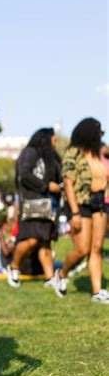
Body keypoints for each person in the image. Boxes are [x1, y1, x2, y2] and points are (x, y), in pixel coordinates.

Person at [56, 118, 108, 303]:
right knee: (82, 249)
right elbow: (68, 183)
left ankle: (97, 291)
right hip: (80, 204)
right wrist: (75, 212)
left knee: (97, 248)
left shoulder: (98, 154)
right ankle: (62, 273)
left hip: (99, 203)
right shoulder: (73, 152)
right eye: (98, 131)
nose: (102, 135)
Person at [6, 128, 62, 294]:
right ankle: (13, 267)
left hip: (49, 205)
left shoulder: (50, 156)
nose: (55, 141)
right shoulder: (30, 152)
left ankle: (50, 277)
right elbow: (24, 174)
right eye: (53, 138)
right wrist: (46, 186)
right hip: (32, 204)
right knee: (32, 240)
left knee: (45, 242)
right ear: (45, 138)